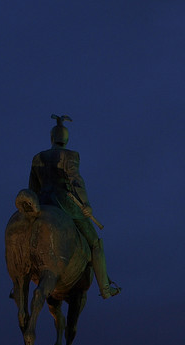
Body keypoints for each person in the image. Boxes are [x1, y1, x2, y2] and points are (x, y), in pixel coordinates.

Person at [29, 115, 121, 299]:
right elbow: (76, 181)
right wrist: (86, 205)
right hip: (64, 203)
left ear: (51, 138)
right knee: (95, 243)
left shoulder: (37, 157)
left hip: (42, 203)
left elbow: (32, 188)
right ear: (66, 139)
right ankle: (105, 288)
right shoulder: (70, 155)